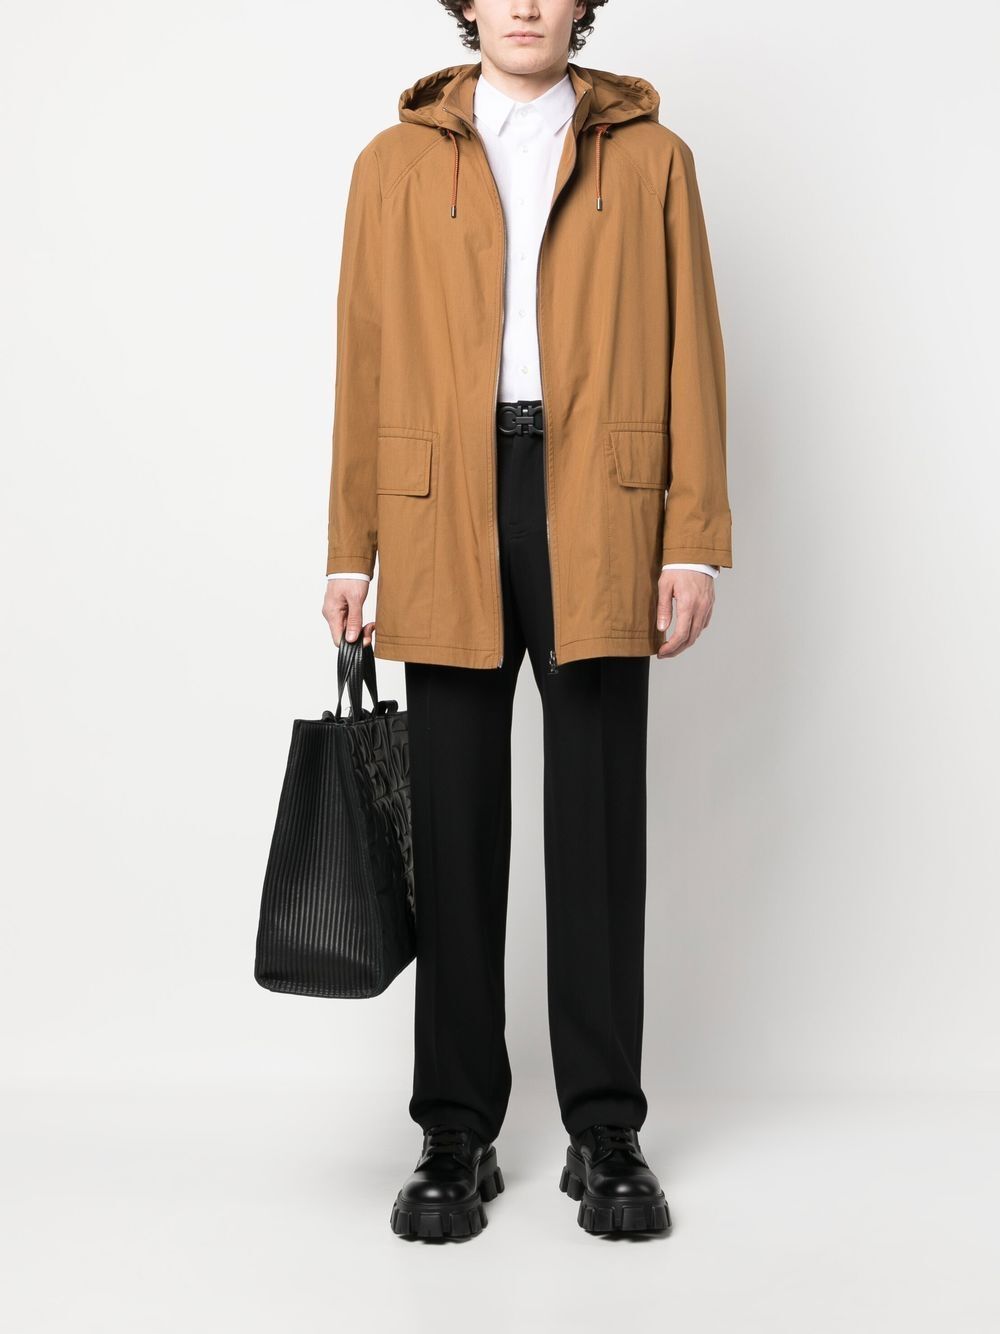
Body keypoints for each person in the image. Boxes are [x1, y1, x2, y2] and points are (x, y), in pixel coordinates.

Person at [322, 0, 731, 1241]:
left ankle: (605, 1128)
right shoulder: (392, 164)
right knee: (452, 824)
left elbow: (693, 352)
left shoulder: (651, 158)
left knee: (597, 821)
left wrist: (691, 536)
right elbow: (362, 357)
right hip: (440, 500)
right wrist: (349, 546)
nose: (523, 5)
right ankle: (454, 1129)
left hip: (600, 499)